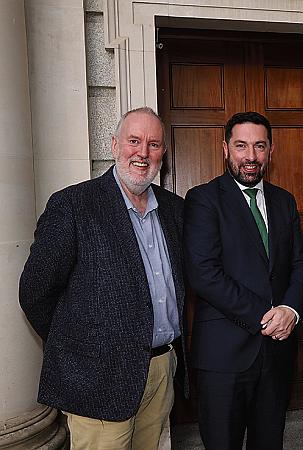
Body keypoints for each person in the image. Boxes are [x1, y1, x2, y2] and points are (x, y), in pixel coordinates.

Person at [19, 107, 187, 449]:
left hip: (159, 370)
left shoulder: (175, 209)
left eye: (154, 144)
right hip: (97, 377)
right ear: (114, 145)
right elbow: (35, 292)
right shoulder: (73, 205)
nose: (143, 153)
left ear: (163, 154)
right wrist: (79, 348)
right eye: (134, 141)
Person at [183, 111, 303, 450]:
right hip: (223, 357)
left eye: (259, 146)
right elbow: (204, 273)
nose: (250, 156)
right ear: (225, 149)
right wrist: (268, 314)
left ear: (270, 150)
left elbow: (301, 264)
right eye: (241, 146)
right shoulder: (203, 199)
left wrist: (292, 311)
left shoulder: (284, 201)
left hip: (277, 353)